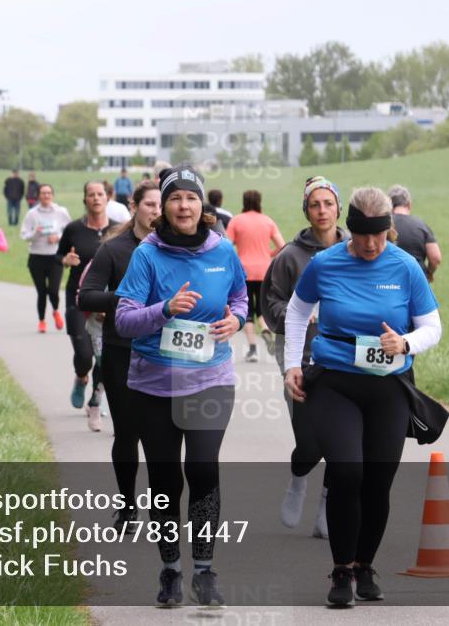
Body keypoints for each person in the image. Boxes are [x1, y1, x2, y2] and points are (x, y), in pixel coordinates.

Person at [283, 186, 442, 606]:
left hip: (388, 387)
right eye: (361, 235)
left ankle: (363, 566)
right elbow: (298, 311)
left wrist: (405, 344)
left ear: (389, 230)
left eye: (378, 236)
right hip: (335, 381)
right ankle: (339, 571)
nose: (370, 245)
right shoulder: (326, 263)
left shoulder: (405, 266)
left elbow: (432, 327)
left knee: (378, 480)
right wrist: (292, 364)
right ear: (348, 229)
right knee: (347, 472)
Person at [114, 165, 247, 608]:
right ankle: (171, 570)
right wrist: (165, 309)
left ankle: (205, 571)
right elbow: (123, 320)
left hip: (210, 379)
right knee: (166, 478)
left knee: (204, 470)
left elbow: (241, 298)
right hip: (154, 384)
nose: (184, 205)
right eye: (175, 199)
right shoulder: (147, 256)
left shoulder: (222, 250)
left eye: (191, 198)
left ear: (201, 205)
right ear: (163, 208)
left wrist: (237, 319)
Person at [262, 176, 346, 539]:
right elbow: (269, 302)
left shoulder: (354, 250)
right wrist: (296, 313)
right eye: (316, 204)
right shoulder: (289, 257)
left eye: (328, 203)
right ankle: (298, 478)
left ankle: (328, 503)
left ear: (339, 208)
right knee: (310, 439)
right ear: (307, 211)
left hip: (344, 355)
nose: (322, 210)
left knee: (340, 438)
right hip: (300, 354)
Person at [78, 180, 161, 514]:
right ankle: (127, 503)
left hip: (165, 354)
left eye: (160, 205)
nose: (156, 211)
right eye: (149, 205)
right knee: (127, 433)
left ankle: (162, 507)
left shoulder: (177, 248)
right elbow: (87, 295)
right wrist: (127, 301)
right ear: (134, 207)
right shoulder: (114, 249)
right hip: (122, 349)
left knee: (161, 438)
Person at [57, 181, 120, 413]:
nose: (95, 198)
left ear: (107, 199)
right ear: (85, 200)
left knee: (104, 356)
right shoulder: (74, 229)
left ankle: (96, 398)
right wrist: (65, 260)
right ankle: (81, 377)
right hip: (78, 299)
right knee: (84, 354)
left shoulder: (118, 229)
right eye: (91, 195)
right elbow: (58, 255)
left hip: (107, 302)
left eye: (100, 194)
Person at [225, 190, 286, 362]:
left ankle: (252, 349)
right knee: (262, 308)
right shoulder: (267, 221)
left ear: (244, 201)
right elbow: (283, 246)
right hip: (264, 271)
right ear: (260, 201)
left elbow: (227, 248)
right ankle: (266, 329)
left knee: (247, 310)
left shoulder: (236, 221)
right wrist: (268, 254)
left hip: (243, 271)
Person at [20, 184, 71, 332]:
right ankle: (42, 321)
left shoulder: (61, 212)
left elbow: (70, 231)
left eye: (49, 193)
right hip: (36, 257)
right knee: (41, 291)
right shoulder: (32, 214)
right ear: (38, 196)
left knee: (53, 290)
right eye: (43, 193)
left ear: (52, 195)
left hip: (55, 257)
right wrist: (35, 233)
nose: (46, 196)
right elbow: (24, 235)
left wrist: (58, 237)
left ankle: (55, 311)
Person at [388, 185, 441, 282]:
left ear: (389, 205)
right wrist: (429, 273)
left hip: (389, 279)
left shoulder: (384, 226)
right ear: (409, 204)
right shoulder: (421, 226)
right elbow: (435, 258)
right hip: (417, 279)